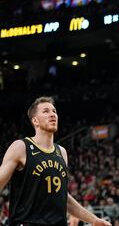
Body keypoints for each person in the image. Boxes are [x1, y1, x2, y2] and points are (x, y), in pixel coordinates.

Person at [0, 96, 111, 226]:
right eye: (46, 111)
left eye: (54, 111)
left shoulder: (62, 152)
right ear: (35, 121)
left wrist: (94, 220)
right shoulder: (21, 147)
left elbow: (64, 199)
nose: (52, 114)